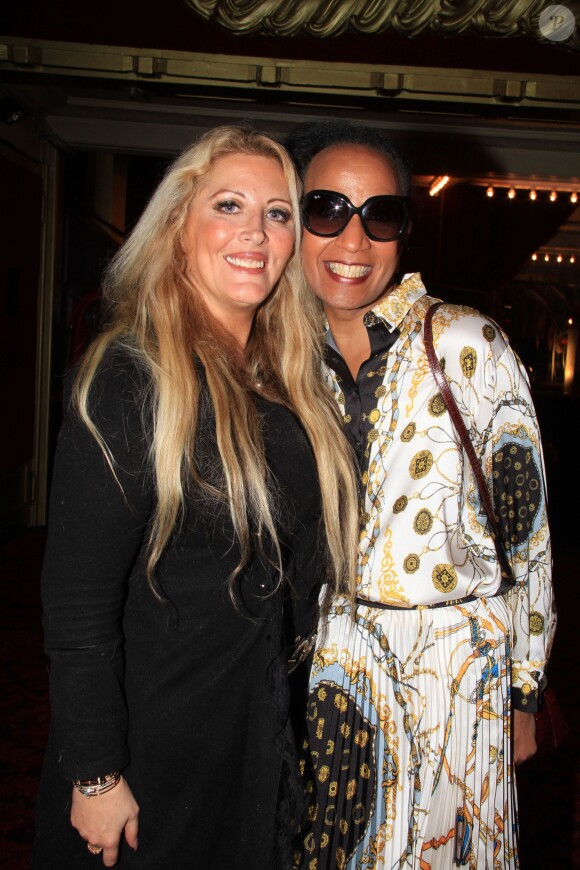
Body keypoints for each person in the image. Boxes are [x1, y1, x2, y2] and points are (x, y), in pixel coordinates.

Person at [31, 125, 359, 870]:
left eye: (278, 213)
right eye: (230, 206)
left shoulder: (284, 379)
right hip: (152, 747)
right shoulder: (133, 376)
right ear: (179, 228)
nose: (257, 233)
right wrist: (94, 771)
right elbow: (77, 600)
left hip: (251, 733)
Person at [286, 121, 556, 869]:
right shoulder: (260, 358)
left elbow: (525, 529)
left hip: (453, 675)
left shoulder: (468, 343)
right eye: (326, 209)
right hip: (316, 678)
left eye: (381, 215)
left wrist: (527, 692)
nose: (353, 239)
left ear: (405, 229)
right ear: (294, 215)